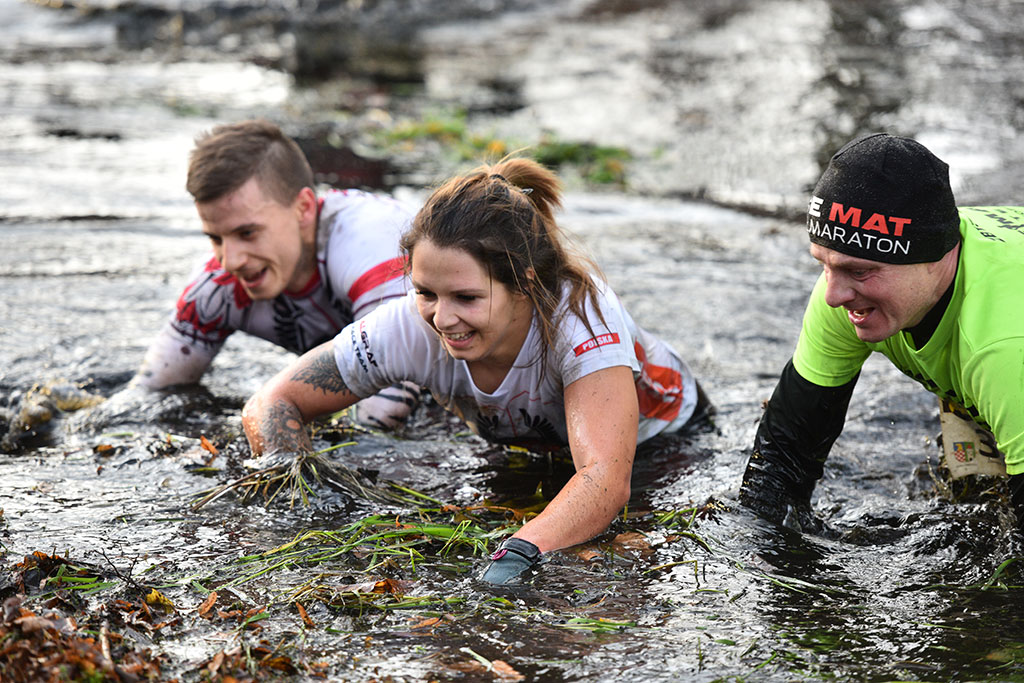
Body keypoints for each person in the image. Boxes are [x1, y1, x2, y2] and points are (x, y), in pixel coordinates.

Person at [240, 157, 710, 584]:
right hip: (531, 449)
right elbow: (271, 402)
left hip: (662, 446)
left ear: (524, 283)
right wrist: (299, 488)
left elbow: (605, 480)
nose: (442, 320)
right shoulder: (408, 327)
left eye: (466, 298)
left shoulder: (582, 320)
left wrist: (513, 559)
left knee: (605, 571)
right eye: (426, 292)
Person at [739, 132, 1024, 532]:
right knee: (981, 506)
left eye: (859, 271)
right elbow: (781, 462)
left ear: (937, 257)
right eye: (825, 264)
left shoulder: (1003, 346)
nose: (834, 296)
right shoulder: (849, 292)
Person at [133, 119, 418, 428]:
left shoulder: (373, 246)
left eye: (247, 232)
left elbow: (381, 421)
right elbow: (145, 399)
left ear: (304, 208)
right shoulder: (217, 288)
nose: (230, 261)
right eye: (216, 238)